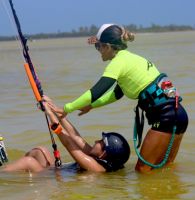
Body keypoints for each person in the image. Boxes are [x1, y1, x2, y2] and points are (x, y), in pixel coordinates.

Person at [46, 24, 188, 173]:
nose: (98, 51)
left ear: (107, 47)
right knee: (165, 168)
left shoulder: (117, 63)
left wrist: (67, 108)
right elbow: (116, 94)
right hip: (179, 114)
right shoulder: (132, 59)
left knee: (142, 170)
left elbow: (96, 91)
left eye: (98, 47)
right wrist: (92, 106)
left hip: (166, 117)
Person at [1, 100, 130, 173]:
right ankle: (9, 170)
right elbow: (75, 136)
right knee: (40, 151)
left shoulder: (95, 166)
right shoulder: (96, 156)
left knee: (28, 162)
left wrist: (50, 116)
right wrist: (54, 109)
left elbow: (69, 144)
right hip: (57, 172)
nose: (96, 140)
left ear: (103, 154)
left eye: (101, 142)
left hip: (52, 180)